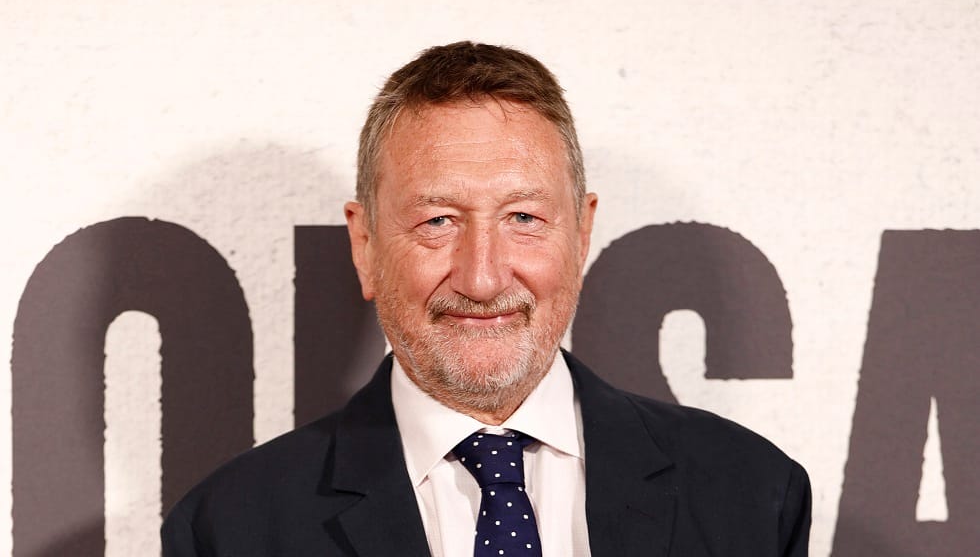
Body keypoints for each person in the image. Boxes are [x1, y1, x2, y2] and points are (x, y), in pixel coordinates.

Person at [162, 41, 811, 556]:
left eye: (524, 217)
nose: (482, 278)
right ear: (365, 245)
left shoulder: (752, 494)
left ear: (581, 234)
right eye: (438, 221)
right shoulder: (229, 531)